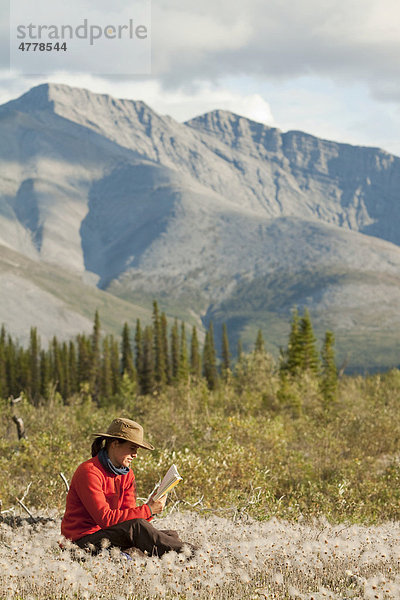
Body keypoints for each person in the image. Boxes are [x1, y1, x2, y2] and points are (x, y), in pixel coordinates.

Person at [61, 417, 191, 557]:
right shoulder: (89, 471)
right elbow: (107, 519)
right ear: (115, 444)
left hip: (110, 539)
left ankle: (131, 558)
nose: (135, 455)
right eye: (132, 448)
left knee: (171, 536)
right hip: (80, 545)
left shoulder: (127, 474)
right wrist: (147, 509)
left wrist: (151, 509)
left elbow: (128, 519)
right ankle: (194, 554)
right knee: (145, 534)